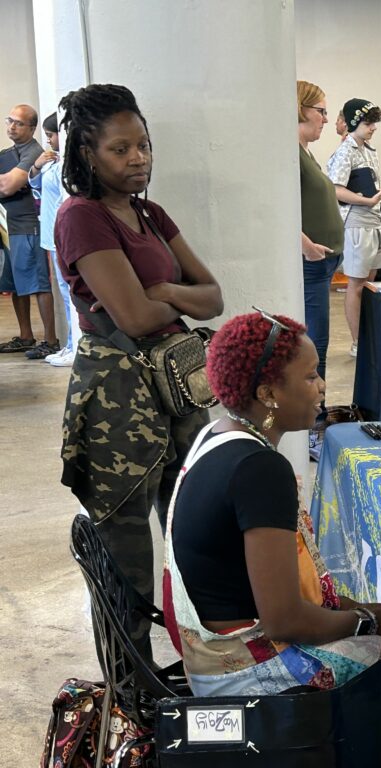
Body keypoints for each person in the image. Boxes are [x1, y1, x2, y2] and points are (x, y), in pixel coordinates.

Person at [164, 311, 381, 766]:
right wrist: (365, 623)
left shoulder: (216, 433)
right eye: (310, 376)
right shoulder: (260, 471)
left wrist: (359, 609)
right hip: (246, 676)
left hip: (209, 656)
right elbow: (284, 621)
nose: (322, 387)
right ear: (267, 392)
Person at [54, 83, 223, 657]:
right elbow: (130, 313)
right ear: (86, 153)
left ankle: (209, 673)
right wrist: (176, 300)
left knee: (196, 534)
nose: (138, 159)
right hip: (119, 402)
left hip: (179, 389)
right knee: (128, 564)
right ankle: (131, 703)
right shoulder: (82, 217)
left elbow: (214, 296)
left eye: (143, 146)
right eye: (120, 150)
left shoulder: (150, 212)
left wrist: (167, 291)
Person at [296, 80, 345, 460]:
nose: (327, 119)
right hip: (311, 265)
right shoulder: (289, 153)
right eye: (321, 111)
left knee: (320, 343)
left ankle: (318, 421)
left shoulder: (305, 152)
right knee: (317, 345)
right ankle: (315, 427)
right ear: (301, 108)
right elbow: (278, 205)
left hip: (322, 265)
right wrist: (305, 244)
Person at [326, 98, 381, 359]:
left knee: (369, 284)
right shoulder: (345, 152)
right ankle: (357, 342)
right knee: (356, 284)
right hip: (357, 223)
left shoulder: (368, 150)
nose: (373, 127)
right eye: (367, 122)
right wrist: (366, 201)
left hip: (374, 221)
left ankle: (368, 337)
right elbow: (336, 189)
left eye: (374, 122)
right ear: (354, 123)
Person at [0, 103, 59, 357]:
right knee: (14, 284)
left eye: (19, 123)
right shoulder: (8, 153)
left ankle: (51, 340)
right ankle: (26, 336)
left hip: (28, 226)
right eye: (9, 120)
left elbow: (7, 187)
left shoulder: (33, 151)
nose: (12, 126)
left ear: (32, 128)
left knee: (38, 283)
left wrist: (10, 180)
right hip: (8, 226)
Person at [28, 112, 79, 366]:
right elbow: (35, 187)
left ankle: (75, 345)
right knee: (63, 290)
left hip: (62, 237)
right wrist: (37, 165)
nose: (49, 141)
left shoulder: (68, 165)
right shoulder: (52, 162)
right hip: (50, 236)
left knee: (70, 292)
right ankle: (70, 342)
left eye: (51, 135)